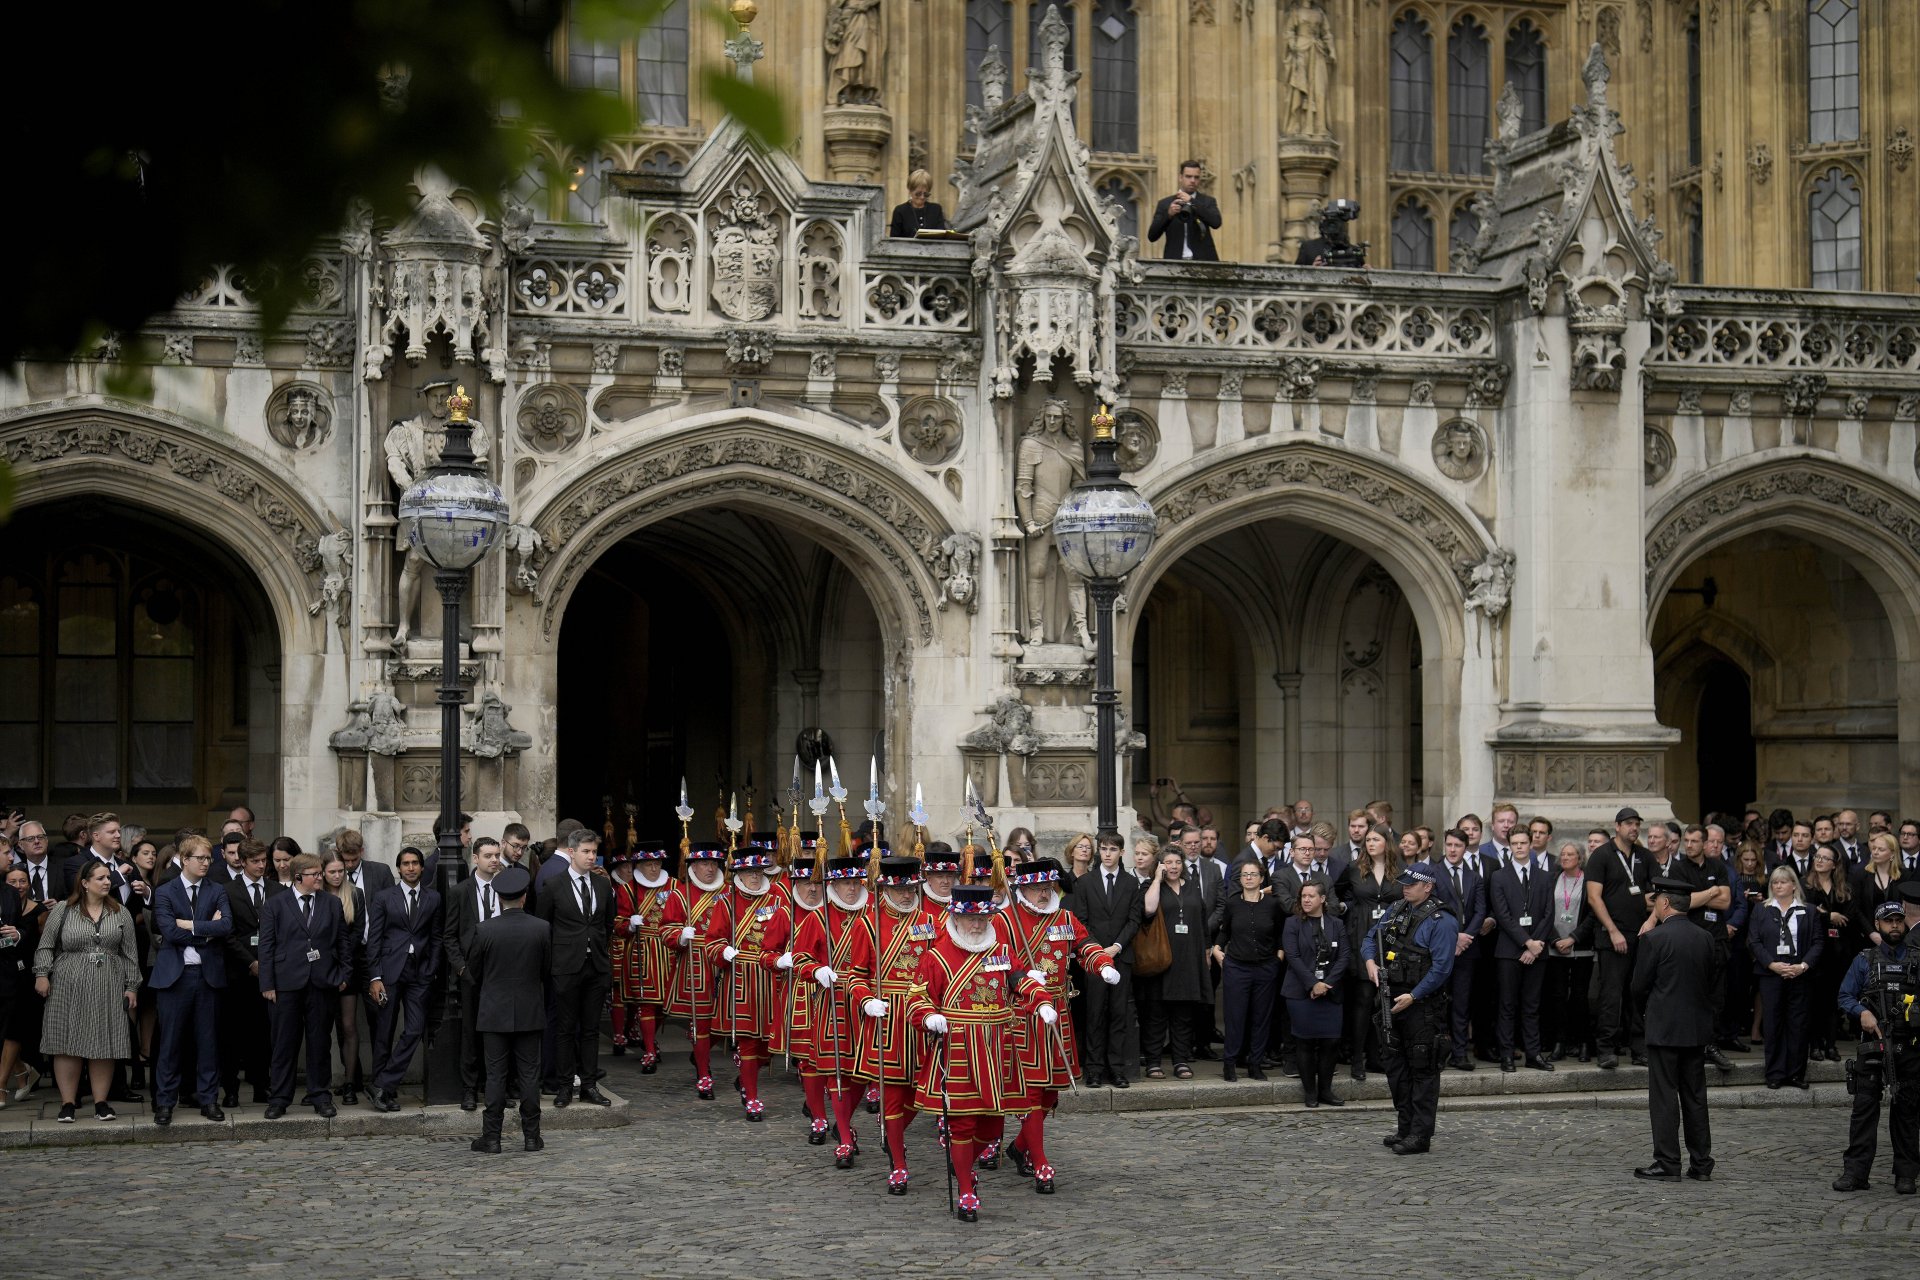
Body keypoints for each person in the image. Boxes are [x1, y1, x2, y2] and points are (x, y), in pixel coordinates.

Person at [907, 882, 1050, 1223]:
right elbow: (916, 998)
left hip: (997, 1048)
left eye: (982, 919)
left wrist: (1041, 1000)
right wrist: (929, 1015)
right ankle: (967, 1190)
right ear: (955, 918)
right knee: (962, 1124)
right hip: (957, 1047)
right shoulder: (936, 955)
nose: (976, 925)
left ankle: (965, 1167)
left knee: (990, 1128)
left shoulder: (999, 949)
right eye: (969, 919)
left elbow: (1018, 978)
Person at [1002, 856, 1118, 1193]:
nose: (1042, 892)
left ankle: (1019, 1147)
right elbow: (996, 961)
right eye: (1035, 887)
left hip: (1059, 1008)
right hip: (1023, 1013)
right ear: (1022, 888)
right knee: (1033, 1092)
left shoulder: (1064, 917)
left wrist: (1101, 964)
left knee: (1052, 1092)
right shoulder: (1004, 920)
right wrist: (1021, 976)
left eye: (1047, 886)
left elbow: (1085, 945)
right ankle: (1040, 1163)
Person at [846, 853, 942, 1194]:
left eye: (911, 889)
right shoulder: (867, 924)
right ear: (884, 889)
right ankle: (899, 1164)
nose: (906, 896)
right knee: (893, 1094)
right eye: (899, 890)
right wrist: (866, 999)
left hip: (923, 1016)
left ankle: (893, 1132)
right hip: (887, 1017)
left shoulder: (932, 920)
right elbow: (855, 976)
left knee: (923, 1093)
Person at [33, 859, 141, 1122]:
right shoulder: (64, 910)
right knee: (67, 1041)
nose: (107, 882)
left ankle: (101, 1103)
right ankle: (68, 1103)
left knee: (103, 1040)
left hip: (108, 982)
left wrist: (132, 986)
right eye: (101, 878)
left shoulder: (120, 912)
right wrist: (41, 974)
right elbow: (46, 944)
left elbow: (130, 954)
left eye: (108, 878)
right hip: (68, 982)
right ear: (84, 883)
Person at [1362, 863, 1456, 1154]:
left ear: (1428, 887)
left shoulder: (1442, 920)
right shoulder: (1397, 909)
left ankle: (1420, 1135)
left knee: (1422, 1069)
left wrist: (1414, 996)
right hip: (1392, 999)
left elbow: (1441, 968)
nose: (1405, 887)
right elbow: (1370, 938)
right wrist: (1370, 963)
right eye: (1403, 883)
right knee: (1396, 1069)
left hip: (1422, 1006)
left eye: (1411, 884)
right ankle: (1405, 1127)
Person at [1832, 887, 1920, 1194]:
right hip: (1873, 1045)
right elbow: (1844, 995)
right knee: (1864, 1110)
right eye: (1888, 921)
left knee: (1907, 1112)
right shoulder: (1865, 960)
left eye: (1898, 920)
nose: (1894, 925)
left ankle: (1906, 1174)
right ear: (1878, 925)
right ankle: (1856, 1172)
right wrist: (1861, 1014)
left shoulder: (1916, 960)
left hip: (1908, 1047)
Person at [1631, 877, 1719, 1181]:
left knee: (1665, 1096)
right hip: (1695, 1028)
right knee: (1695, 1095)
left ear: (1664, 903)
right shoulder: (1705, 937)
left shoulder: (1654, 939)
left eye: (1656, 900)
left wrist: (1648, 1012)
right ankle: (1701, 1163)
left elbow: (1638, 986)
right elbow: (1712, 981)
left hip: (1664, 1028)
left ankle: (1668, 1163)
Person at [258, 852, 353, 1119]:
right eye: (315, 874)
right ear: (299, 877)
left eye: (320, 873)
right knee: (284, 1043)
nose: (321, 878)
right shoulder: (276, 904)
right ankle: (279, 1098)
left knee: (320, 1042)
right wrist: (267, 983)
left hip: (322, 982)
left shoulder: (331, 904)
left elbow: (343, 942)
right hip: (286, 983)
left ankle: (320, 1095)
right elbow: (266, 947)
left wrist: (344, 974)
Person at [466, 864, 552, 1154]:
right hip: (529, 1009)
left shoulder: (484, 929)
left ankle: (492, 1137)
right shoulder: (541, 928)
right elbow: (546, 969)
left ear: (499, 898)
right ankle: (531, 1136)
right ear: (524, 896)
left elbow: (473, 972)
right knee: (529, 1075)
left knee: (495, 1076)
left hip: (494, 1011)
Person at [791, 852, 870, 1165]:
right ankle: (846, 1140)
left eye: (855, 882)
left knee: (862, 1072)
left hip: (864, 1002)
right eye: (843, 883)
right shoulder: (818, 918)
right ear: (832, 885)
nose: (850, 889)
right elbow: (799, 958)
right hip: (833, 1002)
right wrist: (816, 970)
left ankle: (843, 1121)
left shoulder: (873, 914)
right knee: (836, 1071)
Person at [148, 836, 230, 1125]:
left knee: (208, 1041)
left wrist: (192, 924)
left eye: (209, 858)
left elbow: (226, 926)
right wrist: (207, 931)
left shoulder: (217, 889)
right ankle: (165, 1103)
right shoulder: (166, 891)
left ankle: (209, 1100)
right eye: (200, 858)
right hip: (175, 977)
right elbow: (170, 932)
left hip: (208, 977)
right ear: (184, 859)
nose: (206, 863)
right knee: (170, 1043)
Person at [537, 828, 616, 1108]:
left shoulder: (602, 885)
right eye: (586, 851)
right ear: (572, 852)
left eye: (594, 851)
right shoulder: (554, 885)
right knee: (565, 1028)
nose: (591, 856)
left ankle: (590, 1085)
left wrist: (599, 953)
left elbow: (607, 925)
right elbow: (544, 926)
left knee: (591, 1029)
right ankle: (563, 1086)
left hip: (595, 966)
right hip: (565, 967)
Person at [364, 846, 440, 1111]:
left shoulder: (433, 898)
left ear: (421, 867)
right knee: (384, 1032)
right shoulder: (385, 897)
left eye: (415, 863)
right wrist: (374, 976)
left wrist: (431, 969)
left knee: (415, 1029)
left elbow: (436, 937)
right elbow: (373, 939)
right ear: (398, 868)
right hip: (388, 973)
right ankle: (385, 1091)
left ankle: (382, 1083)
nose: (410, 868)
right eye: (405, 863)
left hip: (420, 973)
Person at [1066, 831, 1141, 1089]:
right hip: (1093, 958)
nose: (1108, 854)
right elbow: (1081, 920)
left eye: (1113, 849)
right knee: (1095, 1013)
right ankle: (1094, 1069)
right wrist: (1097, 950)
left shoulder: (1131, 884)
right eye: (1104, 849)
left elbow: (1134, 920)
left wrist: (1116, 947)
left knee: (1119, 1013)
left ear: (1121, 852)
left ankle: (1117, 1068)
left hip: (1121, 957)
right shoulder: (1086, 883)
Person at [1587, 807, 1654, 1070]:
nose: (1634, 828)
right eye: (1628, 824)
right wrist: (1613, 931)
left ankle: (1639, 1048)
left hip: (1641, 935)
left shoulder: (1645, 856)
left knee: (1638, 993)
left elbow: (1655, 895)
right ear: (1617, 827)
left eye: (1637, 824)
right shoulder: (1601, 856)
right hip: (1612, 937)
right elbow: (1594, 897)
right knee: (1611, 994)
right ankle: (1606, 1048)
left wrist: (1650, 922)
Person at [664, 841, 729, 1100]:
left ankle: (700, 1053)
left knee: (725, 1021)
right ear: (693, 866)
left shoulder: (730, 892)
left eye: (714, 863)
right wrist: (680, 934)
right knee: (701, 1022)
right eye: (704, 863)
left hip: (725, 963)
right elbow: (665, 930)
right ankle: (704, 1073)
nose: (710, 869)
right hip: (696, 965)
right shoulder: (680, 894)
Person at [442, 836, 504, 1110]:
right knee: (470, 1032)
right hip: (471, 972)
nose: (494, 860)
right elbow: (450, 936)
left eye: (496, 855)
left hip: (502, 971)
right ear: (475, 859)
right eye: (488, 855)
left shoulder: (506, 888)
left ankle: (498, 1087)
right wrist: (462, 968)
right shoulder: (461, 891)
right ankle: (469, 1089)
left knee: (501, 1032)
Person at [217, 839, 279, 1105]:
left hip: (269, 972)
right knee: (232, 1033)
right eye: (255, 861)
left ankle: (261, 1085)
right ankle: (230, 1089)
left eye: (264, 860)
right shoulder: (227, 891)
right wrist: (250, 962)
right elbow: (227, 934)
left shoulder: (276, 890)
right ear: (242, 862)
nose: (261, 865)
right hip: (238, 972)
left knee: (263, 1032)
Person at [1749, 865, 1823, 1090]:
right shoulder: (1762, 909)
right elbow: (1754, 941)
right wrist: (1772, 964)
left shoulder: (1808, 910)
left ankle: (1795, 1073)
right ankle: (1774, 1073)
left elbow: (1818, 942)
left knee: (1798, 1024)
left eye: (1782, 882)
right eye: (1774, 882)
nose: (1777, 886)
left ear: (1793, 885)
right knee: (1773, 1023)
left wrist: (1802, 966)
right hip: (1771, 974)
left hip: (1799, 974)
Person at [1488, 830, 1555, 1072]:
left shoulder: (1546, 877)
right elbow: (1503, 916)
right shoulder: (1499, 876)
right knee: (1507, 1004)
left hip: (1537, 950)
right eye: (1514, 843)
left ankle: (1534, 1054)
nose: (1519, 847)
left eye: (1523, 843)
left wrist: (1535, 945)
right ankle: (1507, 1054)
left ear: (1531, 845)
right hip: (1509, 950)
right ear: (1510, 846)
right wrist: (1527, 942)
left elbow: (1549, 914)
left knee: (1532, 1005)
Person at [1212, 858, 1283, 1082]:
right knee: (1235, 1016)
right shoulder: (1233, 903)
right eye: (1245, 875)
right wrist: (1216, 949)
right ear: (1240, 879)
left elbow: (1281, 936)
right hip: (1237, 967)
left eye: (1253, 874)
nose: (1249, 878)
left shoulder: (1273, 905)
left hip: (1265, 968)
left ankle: (1255, 1064)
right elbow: (1225, 931)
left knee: (1261, 1018)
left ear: (1262, 879)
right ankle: (1230, 1064)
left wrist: (1278, 959)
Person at [1342, 825, 1403, 1082]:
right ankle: (1357, 1058)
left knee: (1385, 999)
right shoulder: (1354, 869)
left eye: (1375, 839)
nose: (1370, 843)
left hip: (1390, 941)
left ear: (1386, 842)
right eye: (1367, 840)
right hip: (1362, 939)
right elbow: (1343, 896)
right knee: (1363, 999)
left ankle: (1378, 1056)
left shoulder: (1398, 870)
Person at [1142, 848, 1209, 1080]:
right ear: (1160, 865)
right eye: (1167, 862)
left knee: (1183, 1015)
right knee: (1157, 1014)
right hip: (1161, 959)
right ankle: (1153, 1061)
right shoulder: (1152, 886)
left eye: (1177, 862)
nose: (1173, 866)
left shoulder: (1192, 887)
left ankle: (1180, 1060)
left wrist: (1206, 952)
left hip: (1188, 958)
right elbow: (1148, 909)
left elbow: (1201, 921)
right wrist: (1156, 879)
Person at [1281, 878, 1347, 1106]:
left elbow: (1344, 957)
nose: (1306, 900)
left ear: (1322, 899)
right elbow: (1293, 956)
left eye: (1311, 896)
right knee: (1305, 1042)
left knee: (1330, 1042)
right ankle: (1310, 1092)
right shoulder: (1292, 923)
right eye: (1303, 896)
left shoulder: (1336, 924)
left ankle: (1326, 1090)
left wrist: (1326, 984)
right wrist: (1313, 984)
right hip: (1300, 992)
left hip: (1330, 992)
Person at [621, 842, 682, 1075]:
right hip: (642, 950)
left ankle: (650, 1038)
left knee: (665, 1004)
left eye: (657, 864)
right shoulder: (628, 889)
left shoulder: (675, 885)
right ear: (640, 865)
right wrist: (629, 924)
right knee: (647, 1002)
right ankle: (648, 1049)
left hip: (668, 949)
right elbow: (616, 924)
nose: (654, 869)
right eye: (649, 864)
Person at [1431, 829, 1486, 1070]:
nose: (1453, 850)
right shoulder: (1432, 873)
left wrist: (1466, 937)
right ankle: (1438, 1053)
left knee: (1462, 1003)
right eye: (1449, 845)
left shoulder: (1474, 877)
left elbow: (1480, 911)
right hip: (1441, 949)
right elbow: (1432, 907)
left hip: (1467, 949)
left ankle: (1460, 1053)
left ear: (1466, 848)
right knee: (1439, 1002)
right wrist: (1453, 937)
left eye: (1458, 846)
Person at [318, 853, 369, 1104]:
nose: (338, 876)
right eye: (332, 872)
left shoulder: (355, 894)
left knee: (348, 1026)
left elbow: (358, 932)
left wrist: (341, 959)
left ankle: (350, 1083)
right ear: (323, 873)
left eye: (341, 871)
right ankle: (321, 1085)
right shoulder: (317, 895)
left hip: (349, 968)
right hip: (321, 969)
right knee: (322, 1028)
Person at [1805, 843, 1859, 1063]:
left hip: (1838, 953)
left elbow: (1850, 916)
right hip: (1814, 950)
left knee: (1833, 1001)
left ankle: (1831, 1044)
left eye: (1824, 858)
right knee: (1814, 1000)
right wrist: (1829, 916)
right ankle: (1815, 1045)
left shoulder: (1844, 889)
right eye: (1817, 856)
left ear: (1834, 864)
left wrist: (1824, 913)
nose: (1819, 860)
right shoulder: (1805, 885)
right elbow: (1806, 911)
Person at [1543, 840, 1596, 1061]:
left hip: (1581, 948)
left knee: (1580, 997)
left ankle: (1583, 1042)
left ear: (1580, 858)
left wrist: (1573, 938)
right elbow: (1544, 911)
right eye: (1563, 854)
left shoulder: (1588, 881)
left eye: (1570, 854)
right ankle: (1560, 1042)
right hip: (1556, 949)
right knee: (1557, 997)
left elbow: (1594, 914)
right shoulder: (1552, 879)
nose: (1564, 858)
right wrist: (1556, 940)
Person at [1147, 160, 1221, 260]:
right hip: (1175, 262)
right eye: (1188, 176)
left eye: (1196, 177)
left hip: (1204, 262)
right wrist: (1168, 215)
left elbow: (1216, 222)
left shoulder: (1208, 201)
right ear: (1180, 177)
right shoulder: (1165, 203)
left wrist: (1192, 201)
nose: (1193, 180)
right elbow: (1152, 236)